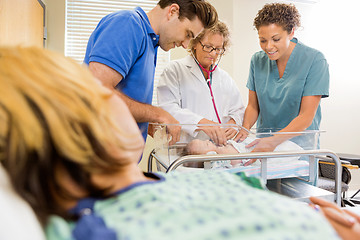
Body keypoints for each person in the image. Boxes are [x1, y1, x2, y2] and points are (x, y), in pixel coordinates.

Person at [0, 46, 344, 240]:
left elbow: (242, 112)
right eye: (93, 98)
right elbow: (173, 109)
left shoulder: (208, 179)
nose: (116, 99)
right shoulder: (90, 226)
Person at [84, 0, 218, 146]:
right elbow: (96, 91)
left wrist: (148, 125)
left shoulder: (150, 43)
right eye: (187, 34)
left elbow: (120, 98)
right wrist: (159, 114)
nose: (185, 45)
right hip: (95, 157)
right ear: (172, 11)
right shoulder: (128, 24)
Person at [236, 3, 329, 162]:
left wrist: (273, 141)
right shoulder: (257, 61)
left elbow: (306, 116)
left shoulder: (314, 60)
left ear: (291, 32)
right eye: (263, 40)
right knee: (262, 184)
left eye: (276, 39)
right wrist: (244, 130)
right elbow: (253, 106)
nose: (268, 47)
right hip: (264, 147)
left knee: (294, 187)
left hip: (298, 150)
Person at [157, 20, 245, 146]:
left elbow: (238, 109)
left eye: (218, 49)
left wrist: (234, 122)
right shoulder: (174, 70)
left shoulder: (225, 78)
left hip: (217, 152)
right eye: (208, 47)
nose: (213, 53)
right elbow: (167, 108)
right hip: (184, 150)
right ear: (194, 43)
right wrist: (200, 122)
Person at [185, 137, 302, 167]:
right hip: (253, 156)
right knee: (279, 153)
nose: (207, 140)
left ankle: (295, 151)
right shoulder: (217, 157)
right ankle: (293, 153)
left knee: (283, 146)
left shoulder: (219, 147)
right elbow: (211, 163)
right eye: (205, 144)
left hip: (252, 146)